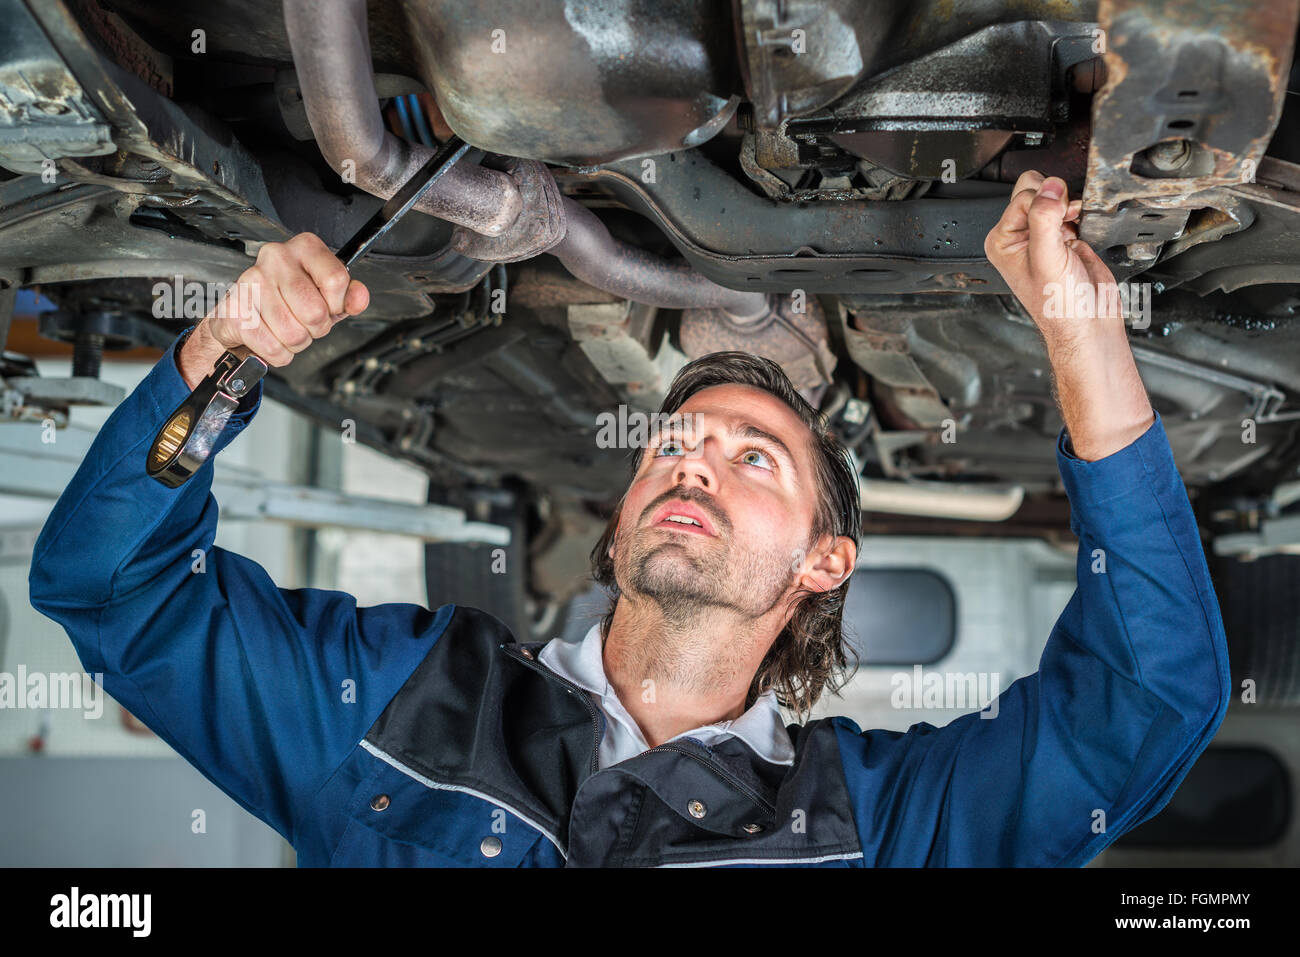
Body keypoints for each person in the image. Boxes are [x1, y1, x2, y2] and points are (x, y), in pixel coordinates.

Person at [29, 172, 1229, 866]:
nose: (691, 463)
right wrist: (218, 356)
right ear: (620, 527)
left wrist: (1081, 329)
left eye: (751, 455)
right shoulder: (391, 696)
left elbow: (1144, 708)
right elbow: (115, 594)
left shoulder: (881, 820)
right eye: (672, 442)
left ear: (826, 560)